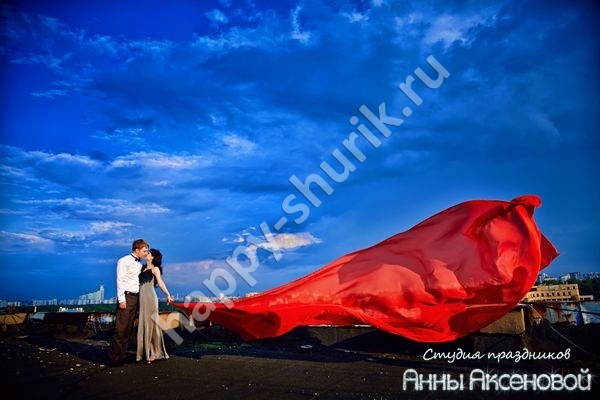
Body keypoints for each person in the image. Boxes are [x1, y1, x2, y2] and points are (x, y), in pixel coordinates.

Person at [107, 239, 149, 366]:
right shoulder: (123, 261)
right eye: (144, 251)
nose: (146, 253)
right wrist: (121, 299)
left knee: (128, 329)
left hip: (136, 297)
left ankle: (122, 356)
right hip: (126, 297)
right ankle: (114, 358)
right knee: (120, 329)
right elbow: (119, 280)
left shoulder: (139, 265)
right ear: (137, 250)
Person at [136, 248, 174, 364]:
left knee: (152, 324)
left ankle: (154, 353)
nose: (146, 254)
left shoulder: (155, 268)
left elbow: (160, 282)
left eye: (148, 253)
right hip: (141, 299)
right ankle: (145, 353)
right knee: (143, 324)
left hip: (150, 299)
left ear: (153, 257)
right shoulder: (142, 268)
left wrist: (168, 294)